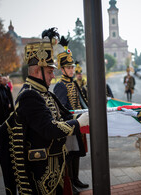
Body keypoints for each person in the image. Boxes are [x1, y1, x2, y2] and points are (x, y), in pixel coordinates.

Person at [0, 28, 89, 195]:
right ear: (36, 71)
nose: (53, 76)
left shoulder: (43, 92)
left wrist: (81, 116)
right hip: (42, 173)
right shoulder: (29, 95)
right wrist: (78, 123)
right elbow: (49, 129)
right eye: (49, 71)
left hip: (56, 168)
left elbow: (65, 114)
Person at [53, 36, 89, 195]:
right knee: (69, 154)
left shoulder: (74, 83)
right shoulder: (60, 85)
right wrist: (73, 119)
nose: (72, 70)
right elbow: (62, 107)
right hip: (69, 125)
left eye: (72, 67)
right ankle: (70, 182)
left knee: (77, 153)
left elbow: (81, 101)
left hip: (79, 123)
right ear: (62, 69)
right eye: (68, 68)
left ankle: (76, 179)